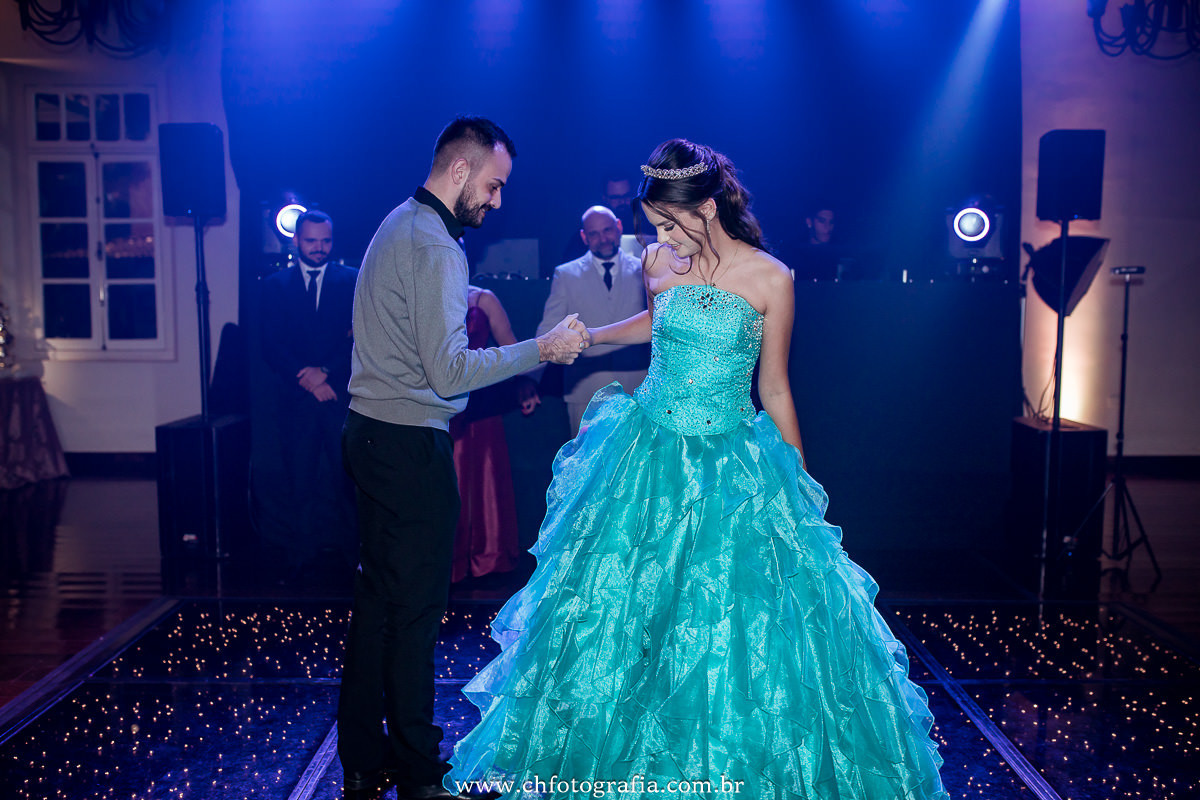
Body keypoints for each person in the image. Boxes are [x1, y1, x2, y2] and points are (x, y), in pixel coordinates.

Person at [445, 140, 948, 799]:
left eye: (669, 222)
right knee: (623, 618)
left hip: (729, 467)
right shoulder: (657, 261)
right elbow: (653, 324)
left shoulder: (771, 278)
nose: (658, 238)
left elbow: (775, 390)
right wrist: (590, 337)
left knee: (725, 629)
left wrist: (799, 493)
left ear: (707, 207)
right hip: (647, 455)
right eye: (654, 224)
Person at [337, 116, 588, 800]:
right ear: (459, 171)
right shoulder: (439, 247)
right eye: (494, 185)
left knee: (377, 610)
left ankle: (363, 763)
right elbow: (448, 375)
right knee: (414, 619)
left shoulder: (396, 223)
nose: (497, 201)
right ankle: (420, 775)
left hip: (368, 435)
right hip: (409, 447)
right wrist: (542, 348)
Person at [256, 209, 357, 581]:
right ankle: (301, 557)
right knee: (299, 481)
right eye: (312, 241)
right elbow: (271, 345)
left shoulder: (352, 280)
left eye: (326, 241)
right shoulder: (274, 285)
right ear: (296, 240)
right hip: (297, 400)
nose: (319, 248)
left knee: (347, 480)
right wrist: (309, 380)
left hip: (338, 396)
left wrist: (327, 373)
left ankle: (353, 557)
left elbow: (360, 337)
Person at [524, 205, 649, 435]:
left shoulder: (645, 269)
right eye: (594, 233)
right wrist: (530, 379)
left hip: (637, 390)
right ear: (584, 237)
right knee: (586, 468)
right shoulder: (566, 274)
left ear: (619, 227)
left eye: (608, 230)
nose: (603, 239)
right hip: (585, 393)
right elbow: (548, 331)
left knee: (635, 468)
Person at [450, 286, 522, 583]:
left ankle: (488, 556)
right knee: (449, 483)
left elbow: (513, 348)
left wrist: (525, 387)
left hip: (480, 402)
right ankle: (448, 559)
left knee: (485, 482)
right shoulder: (424, 292)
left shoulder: (483, 298)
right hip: (442, 401)